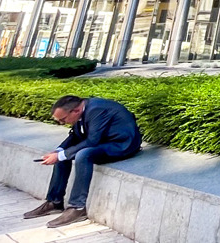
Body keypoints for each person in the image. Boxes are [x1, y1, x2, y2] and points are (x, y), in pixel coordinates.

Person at [22, 95, 143, 228]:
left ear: (75, 111)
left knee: (83, 155)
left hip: (121, 145)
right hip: (104, 142)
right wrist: (58, 151)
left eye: (62, 120)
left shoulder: (96, 110)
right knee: (63, 156)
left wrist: (61, 155)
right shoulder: (82, 110)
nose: (62, 123)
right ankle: (54, 201)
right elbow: (74, 136)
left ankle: (77, 207)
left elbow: (92, 141)